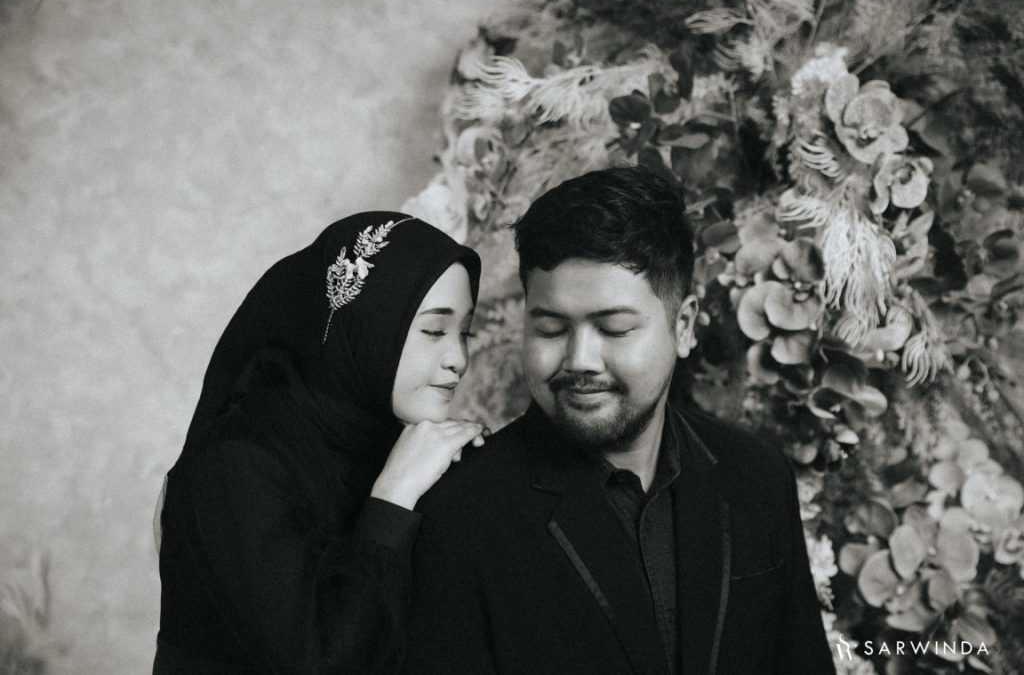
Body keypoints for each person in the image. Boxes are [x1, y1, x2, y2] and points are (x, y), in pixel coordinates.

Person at [404, 167, 836, 674]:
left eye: (614, 328)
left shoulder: (756, 475)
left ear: (684, 327)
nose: (580, 360)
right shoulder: (461, 512)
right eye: (550, 329)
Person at [154, 212, 484, 674]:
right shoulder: (235, 463)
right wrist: (392, 499)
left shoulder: (401, 446)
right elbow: (318, 664)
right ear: (364, 327)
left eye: (465, 333)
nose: (459, 359)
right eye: (433, 331)